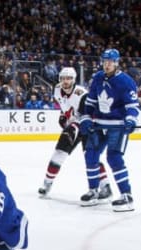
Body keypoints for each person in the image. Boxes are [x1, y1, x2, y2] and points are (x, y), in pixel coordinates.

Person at [79, 49, 140, 212]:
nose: (107, 64)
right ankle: (93, 191)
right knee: (90, 155)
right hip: (98, 124)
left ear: (116, 62)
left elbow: (133, 106)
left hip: (117, 125)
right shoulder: (97, 78)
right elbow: (90, 102)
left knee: (114, 158)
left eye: (110, 61)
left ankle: (127, 196)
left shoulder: (126, 81)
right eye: (105, 61)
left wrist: (131, 119)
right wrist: (86, 117)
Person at [38, 67, 111, 200]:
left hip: (88, 127)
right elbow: (65, 107)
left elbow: (84, 115)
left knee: (91, 157)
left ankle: (105, 186)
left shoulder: (81, 94)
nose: (65, 81)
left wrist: (73, 127)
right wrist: (63, 116)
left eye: (69, 78)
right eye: (63, 78)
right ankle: (47, 183)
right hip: (73, 125)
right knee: (59, 152)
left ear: (74, 79)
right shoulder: (57, 90)